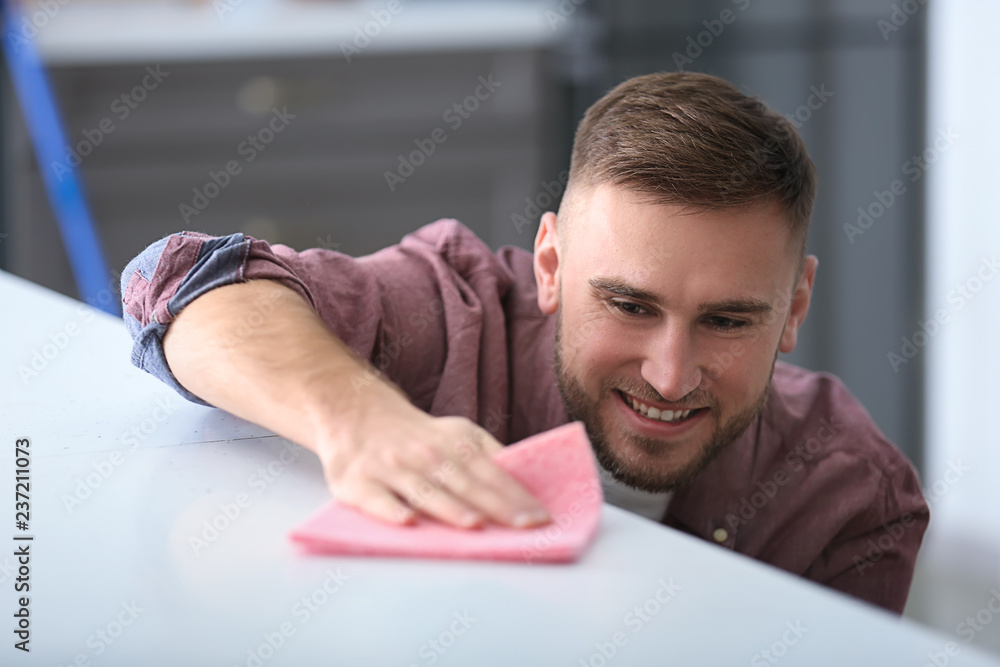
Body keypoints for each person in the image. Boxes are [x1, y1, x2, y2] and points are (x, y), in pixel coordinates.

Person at [120, 72, 928, 613]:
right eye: (627, 304)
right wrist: (363, 421)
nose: (670, 374)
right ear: (550, 264)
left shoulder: (853, 503)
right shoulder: (458, 313)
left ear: (794, 308)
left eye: (728, 320)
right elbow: (183, 282)